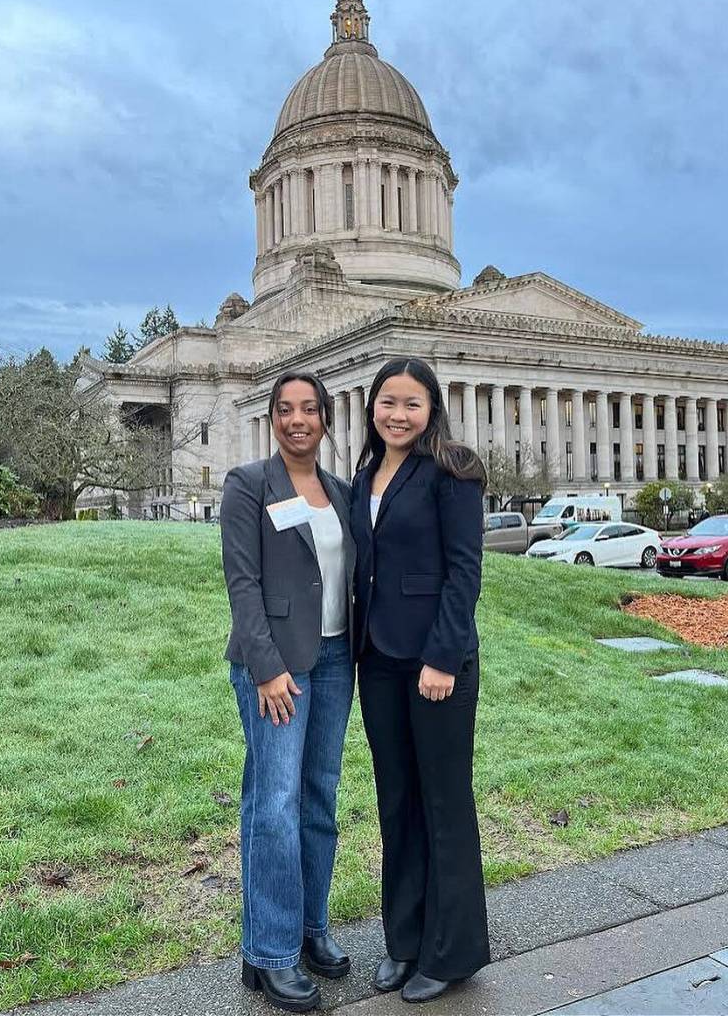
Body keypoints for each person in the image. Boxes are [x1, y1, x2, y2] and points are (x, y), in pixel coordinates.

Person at [350, 357, 491, 1005]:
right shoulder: (363, 473)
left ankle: (450, 952)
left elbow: (463, 573)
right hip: (376, 659)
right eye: (387, 402)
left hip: (436, 662)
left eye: (410, 403)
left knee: (443, 804)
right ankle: (403, 941)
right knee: (395, 803)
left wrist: (442, 656)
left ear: (431, 408)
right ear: (372, 407)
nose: (397, 414)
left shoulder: (453, 470)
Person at [220, 371, 356, 1014]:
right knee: (272, 802)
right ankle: (269, 953)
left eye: (309, 409)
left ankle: (309, 930)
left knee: (319, 799)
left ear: (326, 418)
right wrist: (267, 668)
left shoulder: (341, 492)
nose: (297, 419)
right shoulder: (249, 485)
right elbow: (243, 584)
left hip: (335, 660)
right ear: (272, 418)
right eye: (285, 409)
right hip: (275, 667)